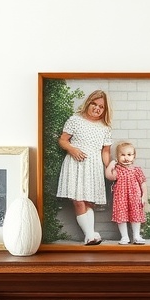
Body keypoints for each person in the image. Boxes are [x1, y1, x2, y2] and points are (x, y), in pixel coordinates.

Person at [56, 89, 112, 245]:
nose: (97, 108)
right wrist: (72, 149)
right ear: (88, 103)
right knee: (78, 201)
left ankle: (91, 235)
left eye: (101, 107)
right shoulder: (75, 120)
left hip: (93, 166)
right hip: (75, 164)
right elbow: (63, 140)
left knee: (88, 202)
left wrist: (109, 168)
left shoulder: (105, 128)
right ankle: (90, 235)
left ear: (104, 110)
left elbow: (105, 151)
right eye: (94, 104)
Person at [105, 141, 147, 245]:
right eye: (122, 155)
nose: (126, 157)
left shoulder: (136, 170)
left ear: (134, 156)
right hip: (121, 197)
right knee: (121, 216)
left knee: (135, 215)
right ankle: (124, 237)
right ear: (117, 157)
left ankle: (136, 236)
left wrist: (144, 196)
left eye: (129, 155)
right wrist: (111, 165)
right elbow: (109, 176)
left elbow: (143, 184)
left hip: (135, 196)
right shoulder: (117, 170)